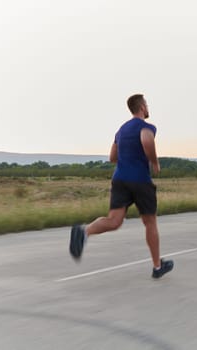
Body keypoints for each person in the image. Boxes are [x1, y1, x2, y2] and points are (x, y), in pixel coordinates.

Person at [69, 94, 173, 279]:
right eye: (146, 105)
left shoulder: (121, 130)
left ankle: (84, 232)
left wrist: (128, 156)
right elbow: (147, 140)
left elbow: (112, 157)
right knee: (150, 222)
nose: (148, 108)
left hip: (120, 179)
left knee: (114, 221)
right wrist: (154, 162)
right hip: (140, 180)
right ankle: (157, 267)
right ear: (141, 107)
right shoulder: (146, 127)